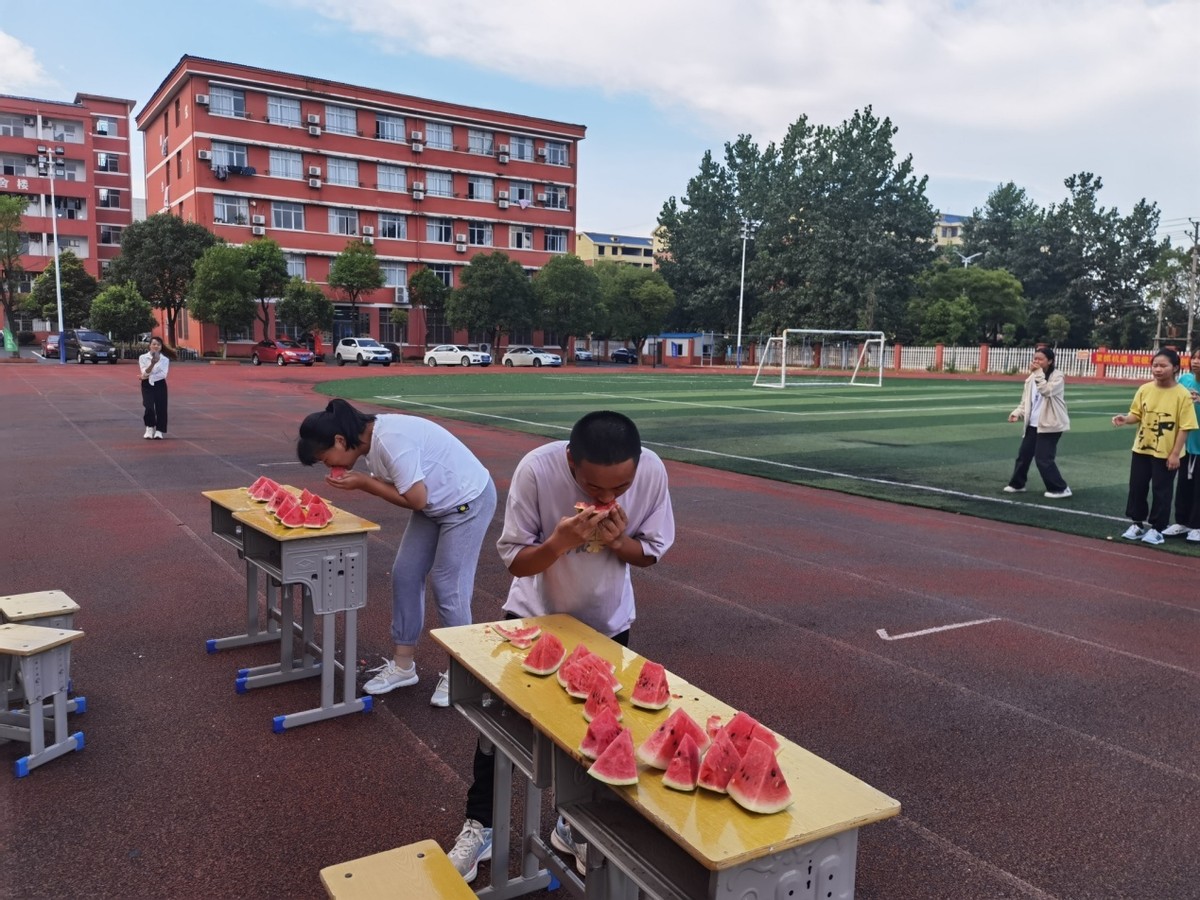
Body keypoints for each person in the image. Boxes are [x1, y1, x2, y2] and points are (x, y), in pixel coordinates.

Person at [446, 410, 675, 883]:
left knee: (595, 738)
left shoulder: (651, 470)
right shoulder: (537, 468)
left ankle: (572, 828)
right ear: (571, 462)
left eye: (620, 489)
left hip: (608, 626)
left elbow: (649, 553)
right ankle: (481, 825)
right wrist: (559, 541)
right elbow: (517, 563)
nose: (608, 498)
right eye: (594, 489)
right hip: (533, 620)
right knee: (497, 733)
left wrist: (618, 543)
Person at [296, 398, 496, 706]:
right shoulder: (369, 441)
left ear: (339, 440)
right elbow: (419, 498)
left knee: (447, 584)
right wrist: (366, 480)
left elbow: (416, 499)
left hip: (467, 501)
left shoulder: (389, 440)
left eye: (327, 458)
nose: (330, 466)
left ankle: (463, 673)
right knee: (405, 574)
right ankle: (404, 667)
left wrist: (365, 483)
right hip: (435, 504)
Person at [1111, 348, 1199, 545]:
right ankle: (1137, 524)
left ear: (1175, 368)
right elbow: (1137, 414)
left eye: (1163, 366)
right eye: (1155, 365)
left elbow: (1186, 427)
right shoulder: (1144, 389)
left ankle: (1158, 528)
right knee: (1137, 487)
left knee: (1162, 490)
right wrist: (1125, 419)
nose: (1158, 370)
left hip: (1166, 451)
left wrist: (1175, 454)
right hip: (1142, 448)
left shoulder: (1182, 394)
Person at [1003, 346, 1072, 498]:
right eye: (1035, 358)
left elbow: (1046, 391)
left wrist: (1038, 374)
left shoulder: (1057, 377)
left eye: (1040, 359)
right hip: (1033, 424)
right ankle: (1017, 484)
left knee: (1043, 459)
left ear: (1050, 361)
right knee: (1024, 455)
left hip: (1051, 425)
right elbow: (1026, 402)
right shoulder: (1030, 379)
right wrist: (1017, 412)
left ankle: (1060, 488)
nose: (1036, 361)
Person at [1161, 353, 1200, 541]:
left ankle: (1197, 525)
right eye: (1195, 357)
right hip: (1186, 443)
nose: (1196, 361)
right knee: (1184, 485)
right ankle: (1182, 522)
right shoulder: (1185, 380)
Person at [139, 336, 170, 439]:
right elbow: (144, 371)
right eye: (154, 344)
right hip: (147, 385)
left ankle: (159, 430)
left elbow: (163, 374)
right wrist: (152, 364)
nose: (156, 346)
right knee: (149, 406)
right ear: (150, 345)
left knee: (161, 407)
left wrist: (146, 376)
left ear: (161, 347)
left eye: (158, 344)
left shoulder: (165, 359)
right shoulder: (143, 358)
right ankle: (149, 427)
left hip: (160, 384)